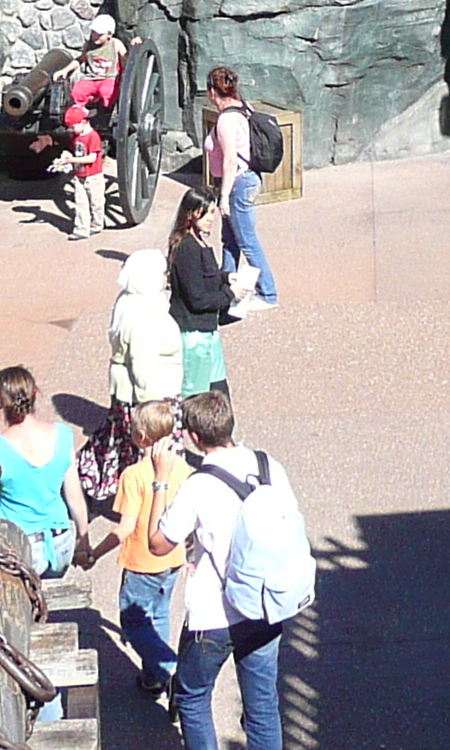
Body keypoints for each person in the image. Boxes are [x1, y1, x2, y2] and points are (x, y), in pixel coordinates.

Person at [146, 390, 307, 750]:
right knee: (262, 707)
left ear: (194, 437)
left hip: (215, 616)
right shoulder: (268, 466)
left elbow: (157, 543)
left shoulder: (198, 486)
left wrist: (160, 480)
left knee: (192, 696)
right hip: (267, 604)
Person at [0, 364, 92, 578]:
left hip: (19, 548)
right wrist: (83, 541)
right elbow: (75, 497)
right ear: (35, 393)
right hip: (60, 544)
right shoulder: (64, 436)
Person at [110, 398, 191, 700]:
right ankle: (152, 677)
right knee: (158, 614)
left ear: (141, 437)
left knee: (133, 621)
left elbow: (125, 527)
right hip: (173, 556)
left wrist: (93, 551)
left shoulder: (133, 476)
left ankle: (168, 669)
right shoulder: (183, 470)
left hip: (141, 562)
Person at [96, 249, 185, 506]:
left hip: (133, 395)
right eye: (160, 272)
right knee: (156, 456)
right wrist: (152, 411)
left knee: (124, 447)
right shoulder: (145, 314)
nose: (164, 277)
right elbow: (143, 366)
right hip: (153, 399)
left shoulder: (129, 302)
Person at [203, 68, 275, 315]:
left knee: (246, 240)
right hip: (248, 179)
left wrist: (223, 196)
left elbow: (230, 160)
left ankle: (268, 293)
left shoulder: (225, 119)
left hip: (238, 183)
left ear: (213, 92)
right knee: (231, 239)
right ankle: (227, 284)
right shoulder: (243, 107)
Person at [167, 190, 233, 400]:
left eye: (212, 212)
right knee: (196, 399)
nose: (210, 219)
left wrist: (226, 278)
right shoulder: (187, 248)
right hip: (194, 335)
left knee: (218, 394)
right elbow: (198, 299)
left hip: (207, 332)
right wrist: (230, 294)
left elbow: (205, 276)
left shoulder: (198, 242)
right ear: (191, 214)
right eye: (205, 213)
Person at [63, 102, 109, 241]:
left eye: (73, 126)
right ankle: (81, 229)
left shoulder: (93, 137)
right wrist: (66, 160)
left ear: (83, 122)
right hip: (79, 176)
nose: (72, 129)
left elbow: (92, 158)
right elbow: (75, 153)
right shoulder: (76, 137)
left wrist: (72, 160)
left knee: (96, 203)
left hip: (93, 176)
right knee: (80, 203)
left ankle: (97, 224)